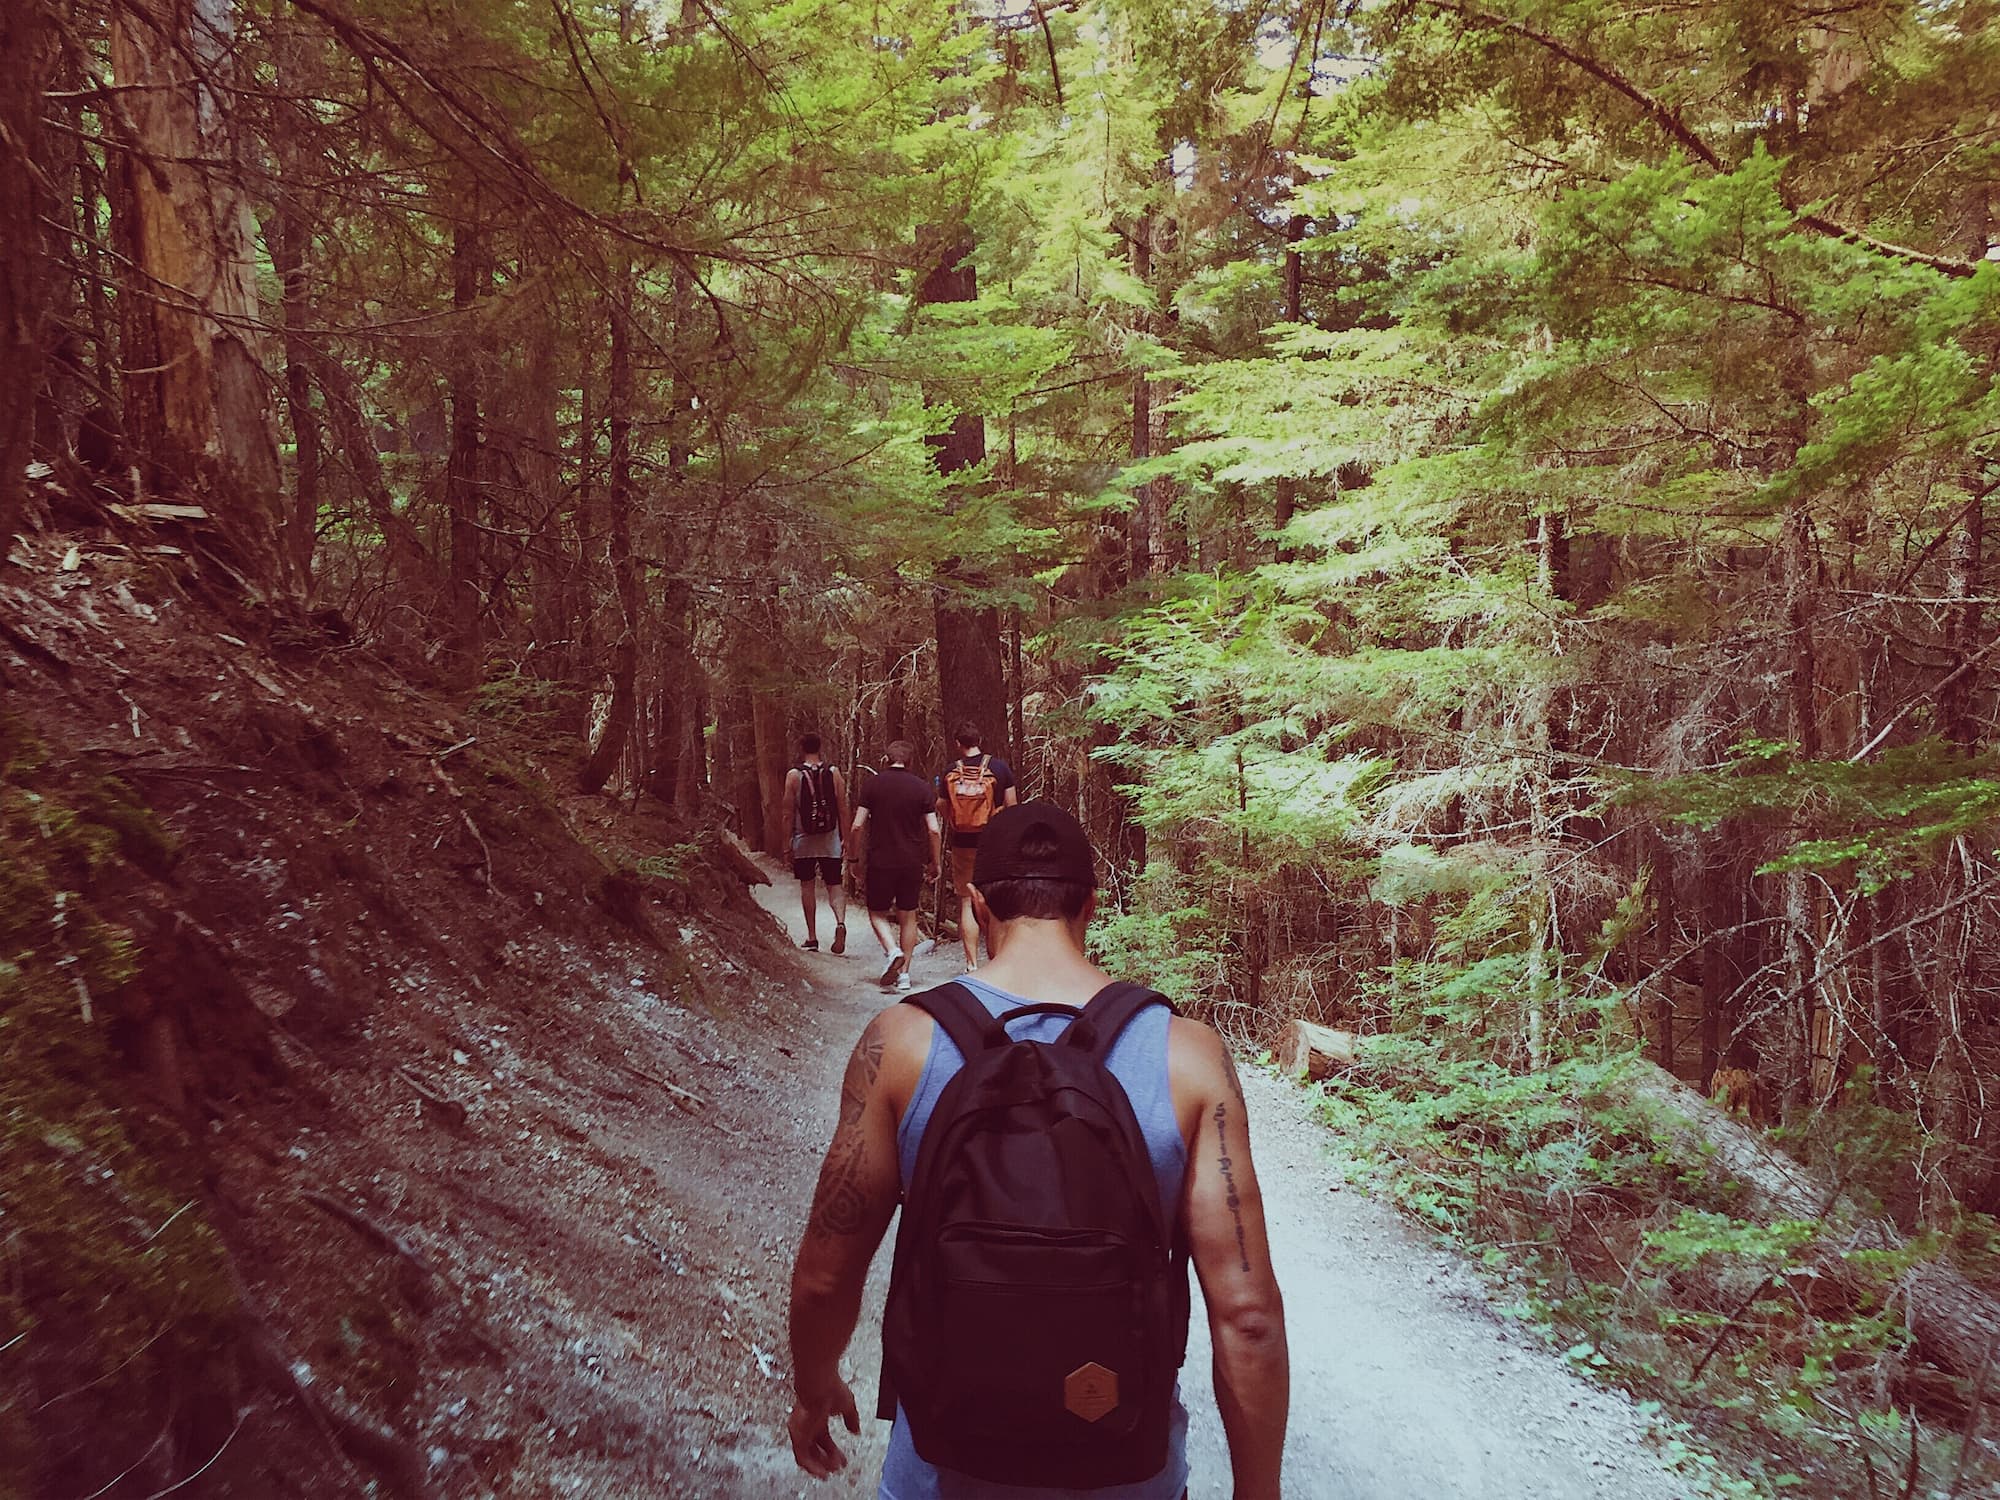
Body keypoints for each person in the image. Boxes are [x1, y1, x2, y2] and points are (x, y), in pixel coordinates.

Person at [786, 802, 1289, 1500]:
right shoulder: (1189, 1055)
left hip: (943, 1468)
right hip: (1125, 1469)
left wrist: (815, 1389)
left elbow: (824, 1272)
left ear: (976, 905)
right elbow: (1249, 1315)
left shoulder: (900, 1043)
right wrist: (1258, 1489)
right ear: (1091, 904)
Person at [847, 740, 942, 992]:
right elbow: (933, 829)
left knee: (876, 912)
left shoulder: (872, 786)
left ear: (886, 760)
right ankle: (905, 976)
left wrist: (853, 857)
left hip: (880, 860)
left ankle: (892, 951)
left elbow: (857, 825)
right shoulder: (922, 788)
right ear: (909, 762)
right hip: (912, 861)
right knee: (908, 915)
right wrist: (935, 861)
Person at [933, 722, 1018, 973]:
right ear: (979, 740)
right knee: (993, 898)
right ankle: (997, 961)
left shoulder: (951, 770)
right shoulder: (999, 768)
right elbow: (1012, 804)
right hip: (994, 842)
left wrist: (954, 819)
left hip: (963, 842)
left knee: (966, 901)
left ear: (957, 744)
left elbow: (940, 804)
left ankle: (971, 964)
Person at [783, 734, 850, 954]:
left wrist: (787, 843)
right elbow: (842, 807)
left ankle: (812, 937)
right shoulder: (834, 772)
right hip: (829, 838)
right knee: (834, 884)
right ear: (820, 748)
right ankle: (840, 922)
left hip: (804, 839)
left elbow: (787, 812)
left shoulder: (794, 775)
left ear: (801, 748)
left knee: (807, 885)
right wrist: (846, 837)